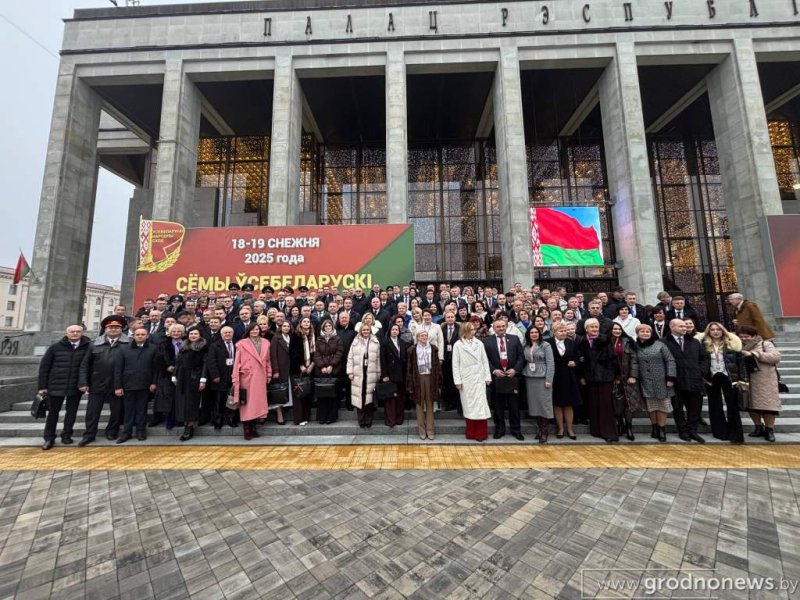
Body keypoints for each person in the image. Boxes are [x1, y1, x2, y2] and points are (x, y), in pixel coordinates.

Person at [78, 315, 130, 446]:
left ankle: (112, 431)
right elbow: (85, 365)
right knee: (92, 411)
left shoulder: (128, 344)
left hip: (117, 384)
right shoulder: (94, 344)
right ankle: (89, 434)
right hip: (97, 383)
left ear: (121, 329)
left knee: (117, 411)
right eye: (110, 327)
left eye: (116, 327)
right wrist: (83, 382)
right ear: (105, 329)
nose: (113, 330)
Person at [38, 324, 91, 450]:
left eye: (78, 331)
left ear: (82, 333)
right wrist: (42, 386)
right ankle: (49, 438)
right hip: (55, 385)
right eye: (72, 332)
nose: (75, 334)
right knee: (53, 413)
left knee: (71, 413)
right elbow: (44, 368)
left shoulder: (88, 347)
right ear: (66, 333)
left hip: (75, 386)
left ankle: (66, 435)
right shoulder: (55, 347)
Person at [663, 319, 709, 443]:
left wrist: (700, 371)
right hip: (675, 381)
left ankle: (693, 431)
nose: (685, 328)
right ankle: (682, 431)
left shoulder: (694, 342)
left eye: (685, 326)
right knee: (678, 408)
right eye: (681, 326)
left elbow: (704, 358)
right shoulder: (663, 342)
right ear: (672, 327)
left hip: (694, 380)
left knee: (694, 408)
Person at [701, 322, 747, 443]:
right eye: (712, 330)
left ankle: (735, 434)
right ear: (708, 332)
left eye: (718, 329)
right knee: (714, 405)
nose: (715, 332)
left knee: (732, 405)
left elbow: (740, 362)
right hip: (711, 377)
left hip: (729, 377)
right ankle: (720, 432)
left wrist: (742, 379)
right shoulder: (704, 345)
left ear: (723, 331)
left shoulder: (732, 344)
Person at [113, 326, 159, 443]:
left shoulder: (153, 349)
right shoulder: (123, 349)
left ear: (147, 336)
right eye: (137, 334)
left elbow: (156, 368)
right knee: (128, 410)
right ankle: (126, 432)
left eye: (143, 334)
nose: (140, 336)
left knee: (141, 409)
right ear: (133, 336)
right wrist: (118, 386)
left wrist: (154, 382)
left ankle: (140, 431)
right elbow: (118, 369)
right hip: (128, 384)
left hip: (145, 384)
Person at [739, 325, 782, 441]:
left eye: (747, 336)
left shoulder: (765, 344)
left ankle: (769, 429)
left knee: (768, 406)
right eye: (742, 337)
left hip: (765, 380)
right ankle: (758, 427)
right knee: (751, 406)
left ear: (754, 336)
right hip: (747, 380)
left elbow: (776, 357)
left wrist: (755, 354)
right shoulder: (738, 346)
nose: (744, 339)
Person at [577, 318, 618, 442]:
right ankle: (596, 430)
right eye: (592, 327)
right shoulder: (582, 341)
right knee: (594, 404)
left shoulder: (605, 340)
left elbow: (612, 359)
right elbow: (581, 360)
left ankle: (609, 433)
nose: (594, 329)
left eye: (596, 327)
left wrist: (616, 376)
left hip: (605, 377)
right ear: (586, 329)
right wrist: (582, 376)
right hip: (590, 378)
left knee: (606, 405)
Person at [484, 318, 525, 440]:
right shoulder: (487, 341)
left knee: (514, 406)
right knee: (498, 406)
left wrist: (515, 369)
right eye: (498, 327)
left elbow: (521, 357)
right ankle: (499, 429)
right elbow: (484, 359)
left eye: (503, 326)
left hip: (512, 377)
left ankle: (516, 430)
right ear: (494, 328)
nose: (501, 328)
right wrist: (494, 370)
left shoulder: (514, 339)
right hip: (497, 377)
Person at [634, 324, 676, 442]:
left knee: (662, 405)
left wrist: (671, 377)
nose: (645, 333)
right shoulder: (635, 346)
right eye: (642, 331)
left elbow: (670, 360)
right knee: (651, 406)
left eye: (648, 331)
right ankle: (654, 428)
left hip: (661, 380)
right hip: (645, 381)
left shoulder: (660, 345)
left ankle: (661, 429)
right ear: (637, 333)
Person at [452, 322, 492, 442]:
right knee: (469, 406)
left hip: (479, 378)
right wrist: (457, 380)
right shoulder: (458, 345)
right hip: (466, 379)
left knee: (480, 405)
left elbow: (485, 361)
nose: (472, 332)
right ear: (464, 331)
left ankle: (481, 433)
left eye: (474, 330)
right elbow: (455, 364)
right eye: (470, 330)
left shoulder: (479, 343)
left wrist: (487, 377)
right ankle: (470, 432)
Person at [232, 323, 272, 440]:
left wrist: (269, 374)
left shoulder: (265, 343)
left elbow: (268, 360)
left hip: (260, 376)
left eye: (257, 329)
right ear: (248, 331)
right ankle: (247, 429)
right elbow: (237, 362)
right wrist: (235, 378)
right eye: (252, 329)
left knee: (257, 404)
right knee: (247, 403)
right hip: (246, 376)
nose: (255, 331)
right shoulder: (242, 343)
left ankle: (253, 428)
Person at [406, 329, 443, 440]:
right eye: (421, 336)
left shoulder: (433, 349)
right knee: (419, 404)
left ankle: (430, 430)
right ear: (417, 337)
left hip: (430, 377)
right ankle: (422, 430)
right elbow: (409, 368)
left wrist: (439, 382)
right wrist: (410, 383)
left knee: (430, 404)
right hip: (418, 378)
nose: (424, 337)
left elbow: (437, 367)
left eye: (425, 335)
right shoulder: (412, 350)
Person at [173, 326, 208, 441]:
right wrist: (175, 374)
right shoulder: (184, 346)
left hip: (195, 377)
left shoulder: (203, 347)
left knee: (192, 404)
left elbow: (205, 364)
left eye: (195, 334)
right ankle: (185, 425)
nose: (193, 336)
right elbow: (178, 362)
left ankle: (190, 427)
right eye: (191, 334)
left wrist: (203, 379)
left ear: (200, 335)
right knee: (183, 403)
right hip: (183, 377)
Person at [608, 322, 641, 441]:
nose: (617, 331)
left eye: (619, 329)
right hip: (612, 378)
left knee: (628, 404)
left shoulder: (627, 341)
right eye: (614, 329)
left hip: (627, 378)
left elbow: (634, 359)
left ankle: (629, 427)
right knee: (616, 403)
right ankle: (619, 424)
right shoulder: (607, 341)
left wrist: (633, 375)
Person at [548, 323, 582, 439]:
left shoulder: (572, 343)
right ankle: (560, 429)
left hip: (568, 376)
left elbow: (578, 357)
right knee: (557, 404)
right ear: (554, 332)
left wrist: (575, 362)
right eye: (560, 331)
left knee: (568, 404)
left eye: (564, 331)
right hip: (554, 376)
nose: (563, 333)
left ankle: (570, 429)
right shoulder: (548, 343)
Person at [523, 326, 555, 443]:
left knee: (544, 404)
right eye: (532, 332)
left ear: (540, 333)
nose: (534, 334)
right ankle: (539, 429)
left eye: (536, 332)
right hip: (530, 377)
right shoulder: (526, 346)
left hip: (543, 378)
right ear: (528, 334)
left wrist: (549, 380)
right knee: (535, 405)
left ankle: (544, 430)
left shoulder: (545, 345)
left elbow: (550, 363)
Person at [347, 323, 381, 428]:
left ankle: (368, 419)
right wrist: (350, 372)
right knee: (360, 397)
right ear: (361, 331)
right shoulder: (355, 341)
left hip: (371, 372)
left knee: (369, 397)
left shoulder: (376, 342)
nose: (366, 331)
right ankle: (361, 420)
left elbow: (378, 359)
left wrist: (378, 372)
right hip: (358, 372)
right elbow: (350, 357)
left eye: (367, 330)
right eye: (364, 330)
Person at [205, 325, 239, 430]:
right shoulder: (215, 346)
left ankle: (230, 418)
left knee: (232, 399)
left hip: (233, 375)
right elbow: (211, 361)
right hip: (220, 376)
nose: (228, 334)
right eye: (225, 333)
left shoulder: (238, 344)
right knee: (219, 400)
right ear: (221, 334)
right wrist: (215, 375)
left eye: (230, 332)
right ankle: (218, 420)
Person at [313, 319, 343, 425]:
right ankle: (322, 417)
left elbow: (339, 353)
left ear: (332, 327)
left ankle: (331, 417)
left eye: (329, 326)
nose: (328, 328)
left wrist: (331, 365)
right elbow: (316, 354)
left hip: (333, 369)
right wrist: (322, 366)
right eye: (326, 326)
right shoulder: (319, 339)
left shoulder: (337, 338)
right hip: (321, 370)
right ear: (323, 328)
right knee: (322, 394)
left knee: (332, 394)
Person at [153, 321, 182, 429]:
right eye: (173, 331)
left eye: (178, 331)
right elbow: (158, 359)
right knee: (168, 398)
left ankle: (179, 419)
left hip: (182, 374)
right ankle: (169, 420)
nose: (176, 333)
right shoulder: (163, 344)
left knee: (179, 398)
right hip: (167, 374)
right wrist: (167, 367)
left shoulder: (186, 343)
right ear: (169, 332)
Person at [380, 323, 408, 428]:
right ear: (390, 331)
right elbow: (382, 360)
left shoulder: (402, 342)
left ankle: (399, 419)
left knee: (400, 398)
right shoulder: (385, 342)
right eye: (393, 329)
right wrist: (384, 375)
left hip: (401, 374)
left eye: (396, 329)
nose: (395, 331)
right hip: (390, 374)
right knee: (390, 399)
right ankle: (390, 420)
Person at [269, 320, 293, 425]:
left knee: (286, 391)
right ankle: (279, 415)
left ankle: (285, 411)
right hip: (280, 369)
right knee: (279, 391)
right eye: (284, 326)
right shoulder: (276, 338)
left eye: (288, 326)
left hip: (289, 369)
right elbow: (273, 355)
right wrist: (275, 370)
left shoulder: (291, 337)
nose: (286, 328)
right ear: (280, 327)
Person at [440, 310, 461, 412]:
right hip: (445, 359)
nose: (450, 319)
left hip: (457, 358)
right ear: (445, 319)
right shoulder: (441, 329)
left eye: (452, 317)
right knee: (447, 382)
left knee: (456, 381)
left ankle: (456, 403)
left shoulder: (460, 328)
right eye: (448, 317)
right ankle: (448, 403)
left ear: (455, 318)